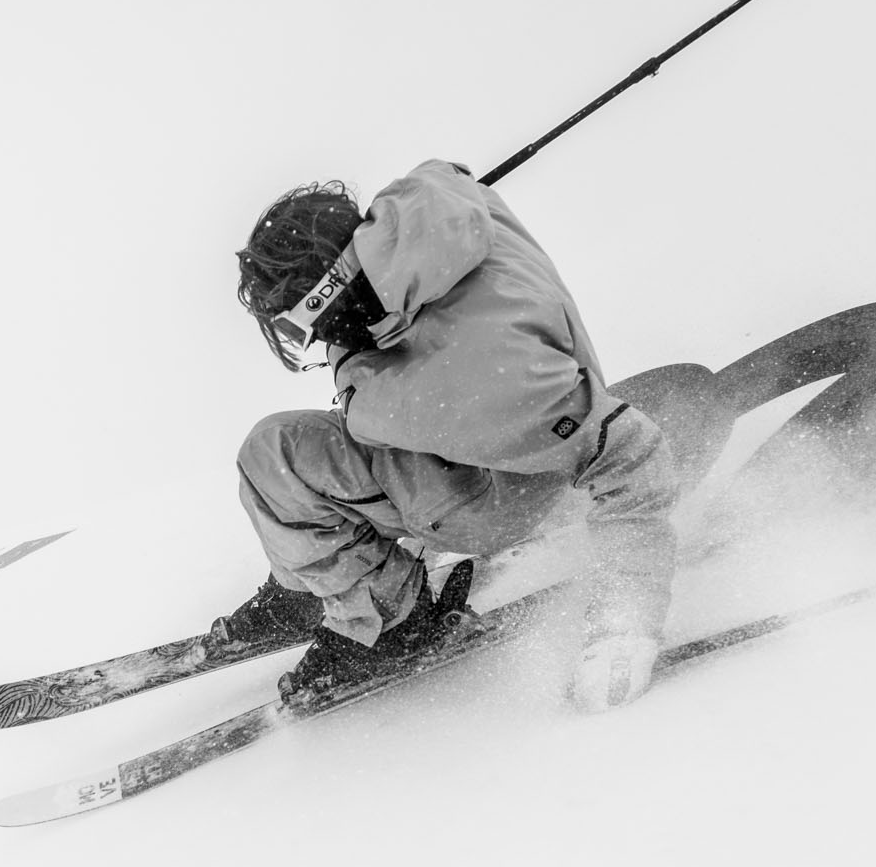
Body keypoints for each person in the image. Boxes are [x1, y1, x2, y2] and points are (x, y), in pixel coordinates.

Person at [222, 159, 680, 711]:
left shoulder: (475, 370)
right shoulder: (425, 232)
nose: (315, 341)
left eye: (300, 324)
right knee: (287, 452)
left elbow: (630, 453)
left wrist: (622, 624)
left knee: (275, 456)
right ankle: (316, 581)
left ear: (327, 293)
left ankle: (391, 623)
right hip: (477, 448)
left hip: (495, 497)